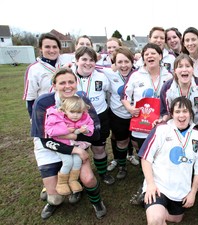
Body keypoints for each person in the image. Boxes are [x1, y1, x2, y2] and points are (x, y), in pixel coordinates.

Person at [31, 68, 106, 220]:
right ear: (54, 85)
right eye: (62, 83)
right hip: (50, 148)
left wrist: (77, 136)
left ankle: (97, 202)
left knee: (89, 179)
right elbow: (45, 140)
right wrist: (74, 148)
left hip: (75, 144)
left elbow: (96, 132)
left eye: (71, 82)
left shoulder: (83, 101)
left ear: (76, 83)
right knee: (56, 198)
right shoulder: (43, 103)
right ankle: (52, 197)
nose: (67, 86)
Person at [139, 97, 198, 225]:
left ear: (191, 114)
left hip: (180, 191)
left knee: (176, 219)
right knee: (155, 222)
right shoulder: (161, 130)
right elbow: (146, 158)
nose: (181, 115)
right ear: (171, 114)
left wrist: (192, 193)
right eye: (177, 111)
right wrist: (151, 184)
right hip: (158, 186)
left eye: (185, 111)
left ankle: (151, 207)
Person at [23, 32, 73, 202]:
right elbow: (30, 100)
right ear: (40, 49)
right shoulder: (34, 69)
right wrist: (34, 123)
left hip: (67, 118)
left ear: (59, 49)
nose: (51, 50)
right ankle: (51, 184)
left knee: (67, 150)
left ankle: (71, 180)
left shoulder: (64, 63)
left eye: (54, 47)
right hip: (45, 120)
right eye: (47, 47)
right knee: (55, 199)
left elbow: (88, 57)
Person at [96, 46, 140, 180]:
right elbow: (91, 66)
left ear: (132, 62)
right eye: (120, 62)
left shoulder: (139, 73)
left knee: (137, 143)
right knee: (122, 142)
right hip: (118, 115)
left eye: (126, 61)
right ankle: (122, 166)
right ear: (114, 63)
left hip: (137, 115)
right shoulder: (109, 73)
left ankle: (145, 167)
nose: (124, 65)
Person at [73, 46, 114, 184]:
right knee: (78, 150)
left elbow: (109, 93)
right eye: (84, 59)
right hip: (76, 121)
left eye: (91, 60)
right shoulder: (68, 76)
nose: (88, 63)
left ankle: (103, 173)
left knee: (99, 148)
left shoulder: (102, 76)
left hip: (100, 117)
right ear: (76, 60)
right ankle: (78, 178)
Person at [45, 96, 94, 195]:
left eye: (78, 112)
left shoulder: (85, 117)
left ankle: (73, 180)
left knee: (77, 161)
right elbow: (50, 131)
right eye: (72, 112)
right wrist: (67, 130)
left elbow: (91, 126)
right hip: (62, 146)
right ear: (65, 110)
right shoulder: (57, 116)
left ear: (83, 111)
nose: (75, 115)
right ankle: (62, 183)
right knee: (68, 161)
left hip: (75, 146)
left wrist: (86, 130)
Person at [159, 53, 198, 135]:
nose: (184, 69)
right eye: (180, 66)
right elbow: (169, 113)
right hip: (178, 125)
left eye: (187, 66)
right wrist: (162, 122)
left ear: (193, 69)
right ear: (175, 70)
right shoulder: (167, 88)